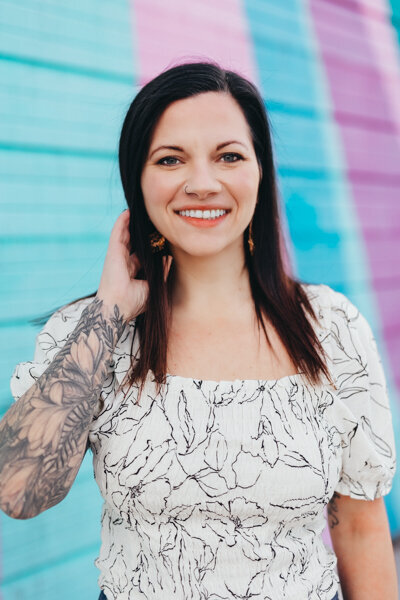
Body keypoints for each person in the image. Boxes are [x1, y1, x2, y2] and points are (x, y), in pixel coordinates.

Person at [0, 61, 397, 600]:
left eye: (229, 156)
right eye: (170, 159)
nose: (203, 183)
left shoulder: (330, 326)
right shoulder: (92, 332)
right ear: (137, 181)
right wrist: (112, 310)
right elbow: (19, 491)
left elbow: (360, 526)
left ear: (260, 171)